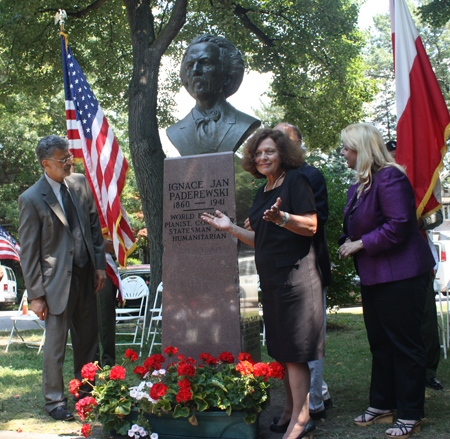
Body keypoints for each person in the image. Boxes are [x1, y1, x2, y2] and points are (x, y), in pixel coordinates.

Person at [202, 128, 323, 439]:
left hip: (296, 278)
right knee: (282, 351)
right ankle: (289, 410)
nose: (262, 157)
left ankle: (302, 417)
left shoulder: (296, 181)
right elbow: (261, 240)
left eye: (269, 151)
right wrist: (230, 228)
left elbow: (311, 226)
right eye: (257, 154)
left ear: (282, 153)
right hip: (271, 279)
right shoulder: (263, 191)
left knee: (295, 351)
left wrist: (284, 218)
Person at [338, 123, 435, 439]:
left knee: (405, 345)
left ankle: (410, 412)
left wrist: (361, 243)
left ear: (362, 149)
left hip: (402, 275)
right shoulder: (358, 186)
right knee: (380, 343)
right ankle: (382, 404)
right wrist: (347, 239)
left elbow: (400, 225)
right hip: (375, 276)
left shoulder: (391, 177)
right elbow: (356, 224)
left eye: (346, 148)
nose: (343, 154)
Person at [18, 135, 106, 421]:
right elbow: (28, 253)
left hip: (85, 276)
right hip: (55, 284)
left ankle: (88, 394)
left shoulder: (79, 184)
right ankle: (55, 402)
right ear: (46, 163)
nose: (69, 161)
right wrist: (35, 295)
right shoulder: (31, 199)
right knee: (55, 348)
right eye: (62, 158)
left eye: (69, 156)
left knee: (88, 342)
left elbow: (94, 227)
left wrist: (100, 266)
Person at [273, 123, 332, 421]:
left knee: (309, 339)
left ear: (298, 145)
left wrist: (282, 219)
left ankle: (315, 402)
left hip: (307, 266)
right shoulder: (270, 180)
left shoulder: (310, 176)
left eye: (286, 140)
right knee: (291, 343)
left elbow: (314, 222)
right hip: (279, 272)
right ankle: (303, 399)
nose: (279, 146)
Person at [166, 34, 260, 156]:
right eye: (190, 65)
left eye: (205, 63)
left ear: (227, 75)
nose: (195, 70)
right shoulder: (175, 131)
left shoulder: (244, 123)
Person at [96, 238, 118, 367]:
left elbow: (116, 245)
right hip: (81, 266)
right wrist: (99, 244)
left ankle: (108, 361)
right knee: (85, 318)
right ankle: (90, 360)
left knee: (106, 316)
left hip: (105, 267)